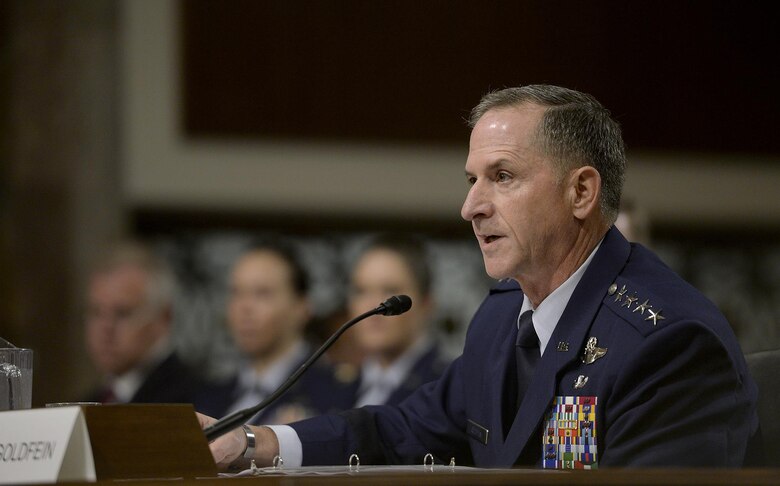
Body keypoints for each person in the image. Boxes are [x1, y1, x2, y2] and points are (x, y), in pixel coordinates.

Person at [199, 85, 761, 469]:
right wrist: (257, 441)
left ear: (581, 192)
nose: (470, 206)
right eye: (472, 179)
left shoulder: (667, 342)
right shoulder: (501, 317)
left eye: (503, 176)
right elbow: (403, 432)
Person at [195, 238, 354, 424]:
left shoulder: (334, 393)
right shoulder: (207, 397)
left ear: (301, 307)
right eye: (236, 293)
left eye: (262, 293)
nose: (244, 308)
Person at [84, 240, 202, 404]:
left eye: (122, 313)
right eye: (96, 313)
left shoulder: (194, 401)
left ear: (164, 317)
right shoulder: (86, 403)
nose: (105, 328)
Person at [346, 234, 449, 407]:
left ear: (426, 303)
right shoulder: (334, 388)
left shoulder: (447, 386)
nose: (373, 305)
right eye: (361, 291)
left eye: (390, 291)